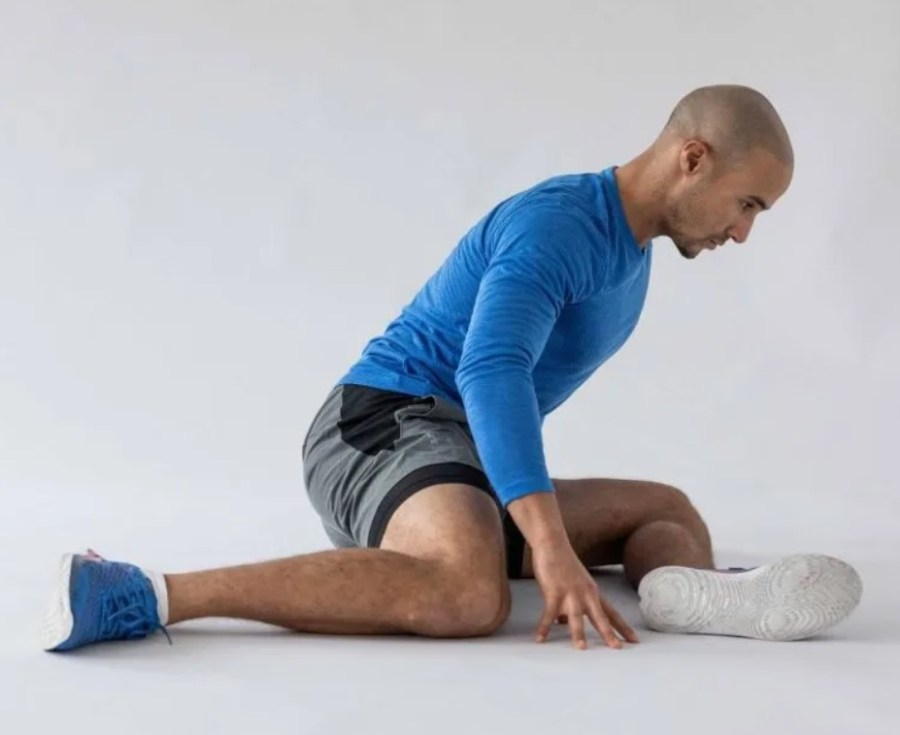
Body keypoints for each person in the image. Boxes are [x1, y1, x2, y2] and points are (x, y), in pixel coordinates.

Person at [42, 84, 862, 654]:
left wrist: (541, 529)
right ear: (693, 157)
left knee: (666, 513)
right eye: (748, 204)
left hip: (458, 460)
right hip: (376, 424)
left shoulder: (634, 253)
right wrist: (545, 545)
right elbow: (493, 369)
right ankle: (146, 591)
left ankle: (696, 597)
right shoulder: (561, 224)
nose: (744, 232)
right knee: (472, 594)